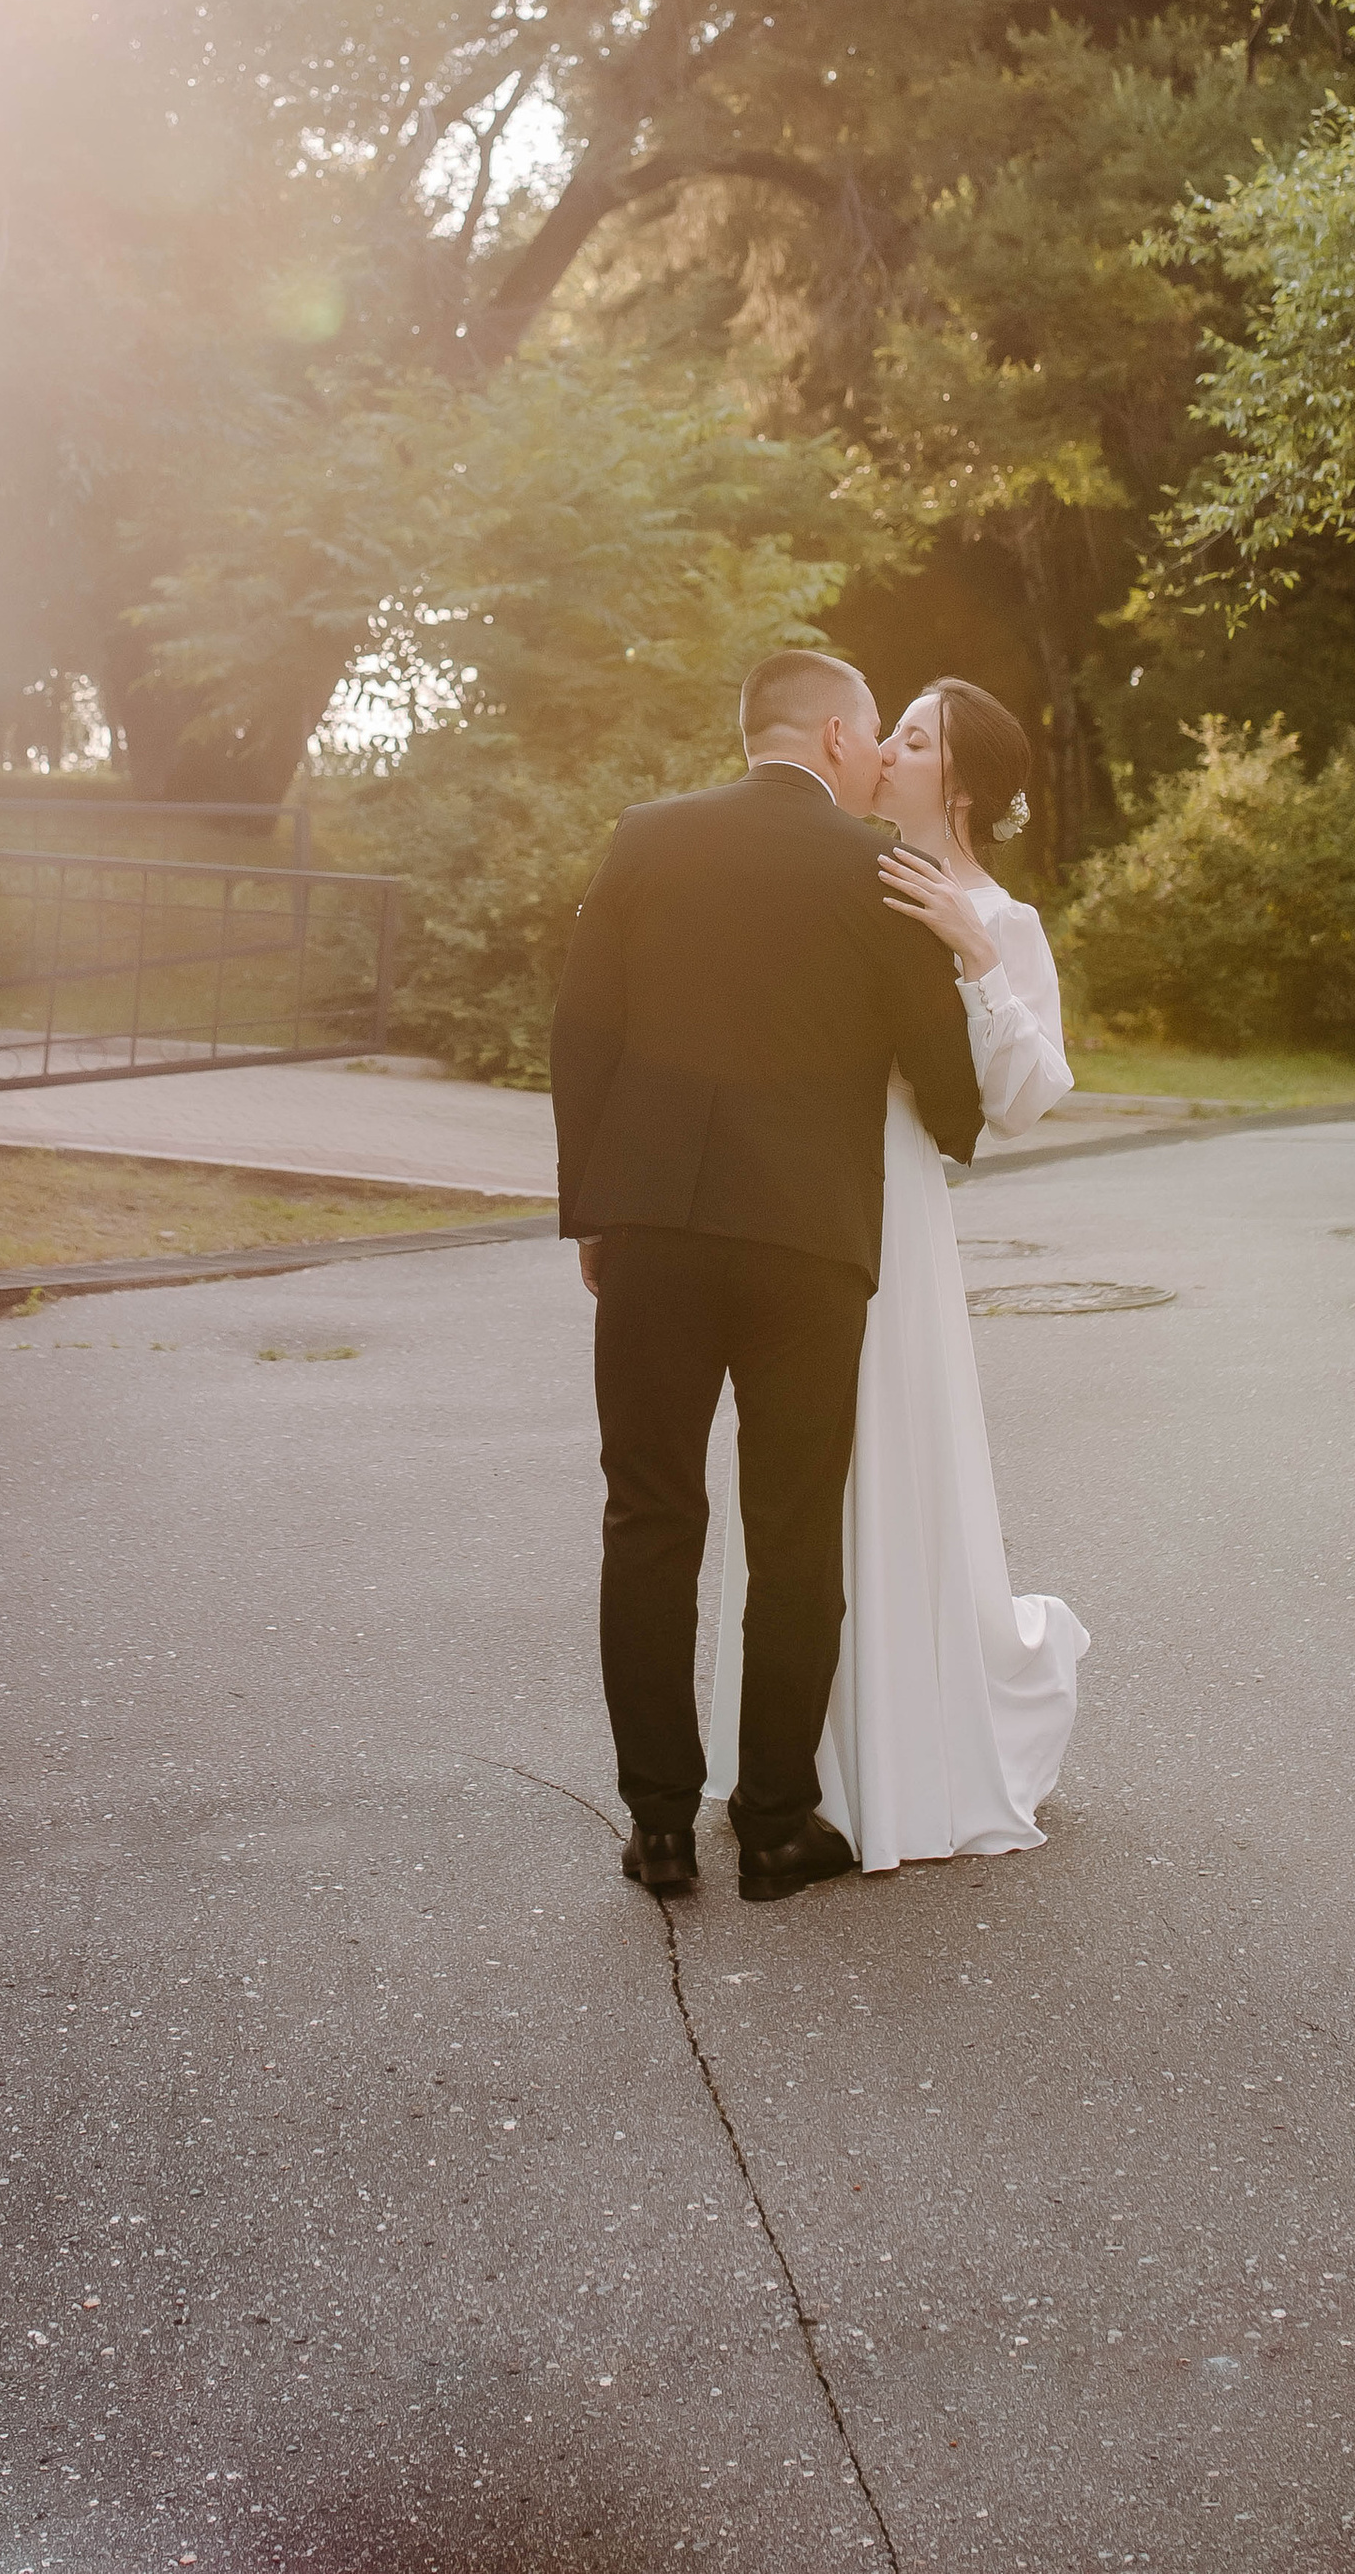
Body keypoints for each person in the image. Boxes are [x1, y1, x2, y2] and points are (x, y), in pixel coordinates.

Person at [550, 651, 982, 1906]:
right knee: (794, 1533)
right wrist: (958, 1067)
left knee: (648, 1517)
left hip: (652, 1232)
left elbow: (585, 1028)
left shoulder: (647, 838)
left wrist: (595, 1211)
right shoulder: (878, 869)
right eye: (872, 736)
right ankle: (778, 1825)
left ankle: (660, 1828)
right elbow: (944, 1080)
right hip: (808, 1243)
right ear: (842, 737)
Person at [703, 677, 1087, 1866]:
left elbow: (1024, 1100)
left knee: (890, 1457)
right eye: (890, 731)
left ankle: (907, 1756)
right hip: (790, 1196)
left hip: (897, 1207)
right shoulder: (844, 875)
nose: (883, 750)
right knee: (792, 1476)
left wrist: (972, 949)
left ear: (957, 784)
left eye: (911, 738)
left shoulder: (1002, 921)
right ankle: (791, 1759)